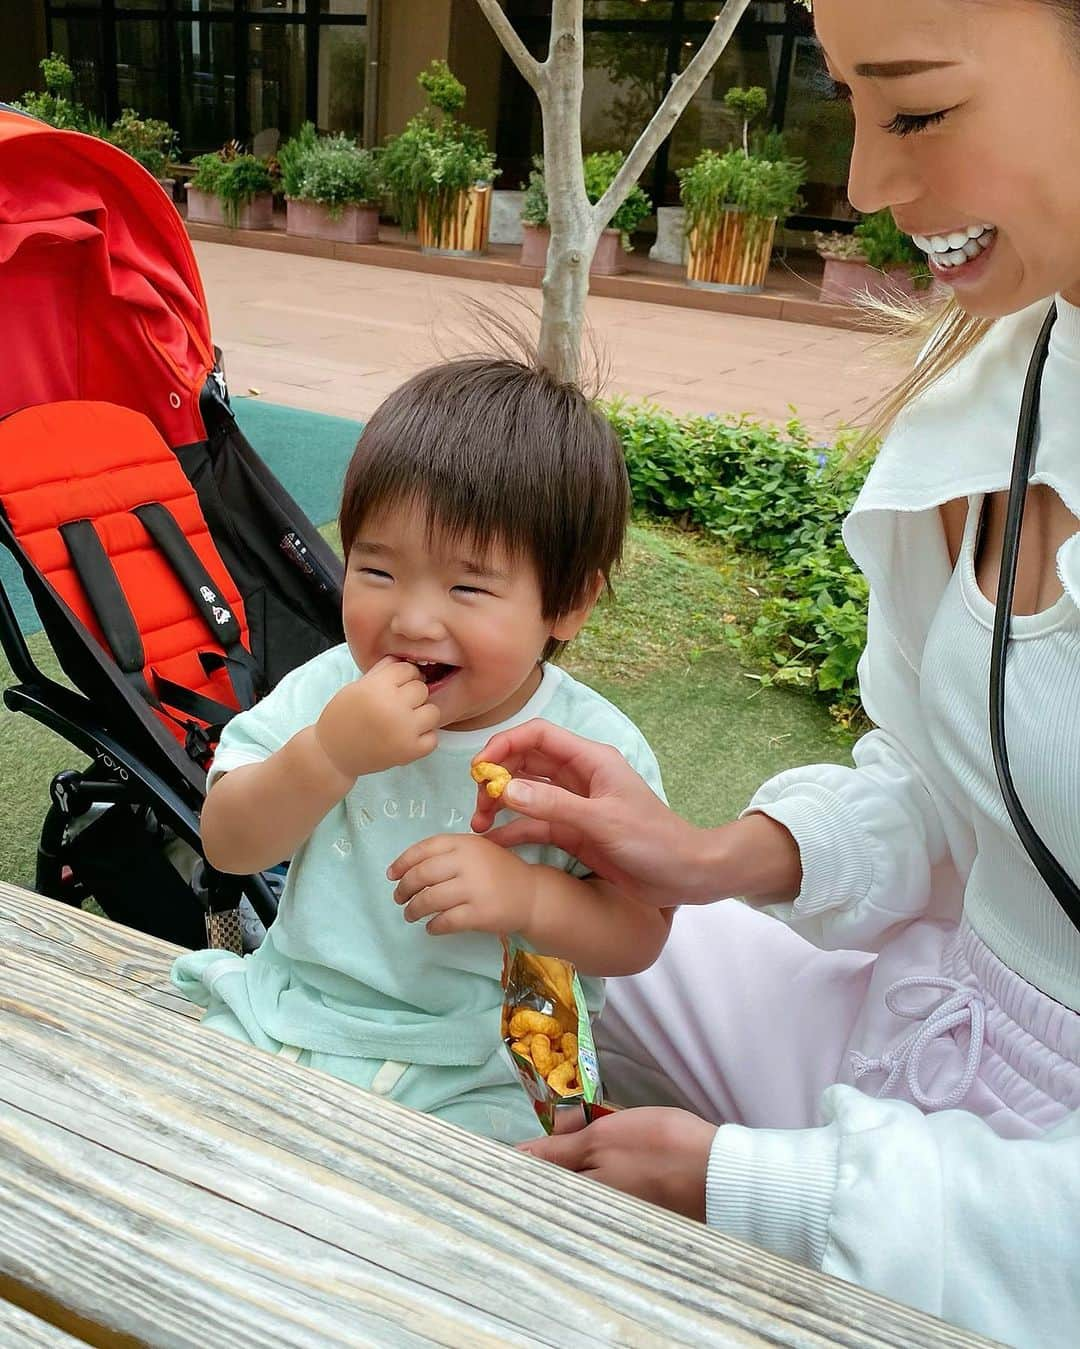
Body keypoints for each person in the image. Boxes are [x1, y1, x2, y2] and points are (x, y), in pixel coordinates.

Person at [469, 2, 1080, 1344]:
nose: (864, 183)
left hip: (1016, 1217)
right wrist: (701, 857)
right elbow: (937, 779)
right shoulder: (1015, 374)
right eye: (852, 100)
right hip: (920, 1021)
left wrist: (753, 1184)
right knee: (528, 906)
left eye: (913, 108)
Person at [171, 356, 670, 1144]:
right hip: (296, 1015)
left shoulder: (595, 748)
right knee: (179, 1135)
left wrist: (529, 898)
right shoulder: (328, 690)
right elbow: (229, 842)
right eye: (376, 568)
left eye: (467, 587)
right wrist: (328, 753)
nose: (410, 618)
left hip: (497, 1059)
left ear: (568, 602)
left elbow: (640, 929)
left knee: (491, 1206)